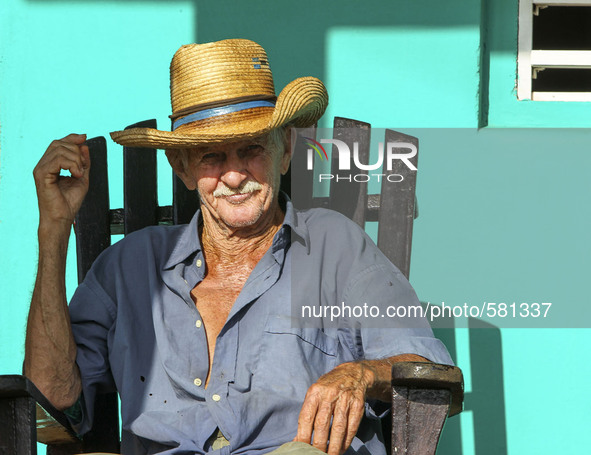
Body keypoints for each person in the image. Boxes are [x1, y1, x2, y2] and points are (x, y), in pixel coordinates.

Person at [25, 39, 452, 455]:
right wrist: (55, 228)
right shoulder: (128, 267)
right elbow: (54, 401)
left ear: (284, 150)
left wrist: (363, 373)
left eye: (251, 151)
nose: (233, 176)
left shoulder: (334, 246)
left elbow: (430, 372)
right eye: (211, 156)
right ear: (183, 168)